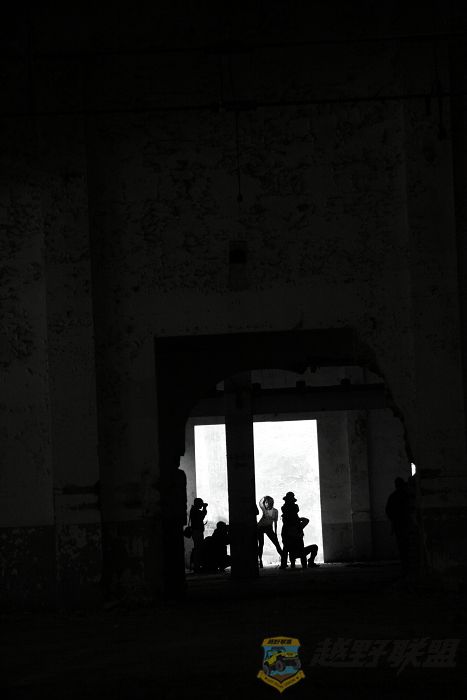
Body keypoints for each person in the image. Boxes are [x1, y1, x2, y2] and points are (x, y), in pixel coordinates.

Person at [385, 477, 412, 575]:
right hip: (407, 524)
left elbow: (388, 511)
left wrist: (394, 519)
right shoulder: (407, 496)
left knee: (402, 546)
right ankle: (409, 566)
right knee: (409, 545)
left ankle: (405, 566)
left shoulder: (393, 497)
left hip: (398, 525)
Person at [280, 492, 306, 569]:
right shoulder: (295, 507)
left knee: (286, 548)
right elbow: (296, 511)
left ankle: (285, 564)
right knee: (300, 547)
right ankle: (304, 564)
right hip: (295, 528)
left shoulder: (284, 508)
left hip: (287, 530)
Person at [257, 495, 283, 568]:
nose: (267, 504)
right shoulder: (265, 510)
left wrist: (275, 532)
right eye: (266, 502)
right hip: (260, 527)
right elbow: (260, 503)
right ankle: (260, 560)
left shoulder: (275, 511)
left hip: (269, 527)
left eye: (268, 502)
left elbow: (275, 522)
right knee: (261, 544)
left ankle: (283, 558)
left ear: (272, 503)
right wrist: (265, 497)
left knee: (276, 543)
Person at [189, 497, 208, 573]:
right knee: (198, 549)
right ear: (198, 504)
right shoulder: (195, 510)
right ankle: (196, 566)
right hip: (197, 532)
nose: (201, 505)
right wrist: (204, 508)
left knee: (198, 548)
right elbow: (202, 516)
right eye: (201, 503)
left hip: (196, 531)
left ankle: (197, 566)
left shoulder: (194, 510)